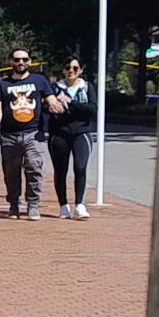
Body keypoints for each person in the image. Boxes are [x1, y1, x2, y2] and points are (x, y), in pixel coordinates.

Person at [0, 45, 54, 219]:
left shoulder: (39, 81)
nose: (21, 62)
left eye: (24, 59)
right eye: (17, 59)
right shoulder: (3, 85)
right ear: (11, 62)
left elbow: (50, 99)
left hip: (33, 134)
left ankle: (33, 204)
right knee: (11, 173)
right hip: (9, 136)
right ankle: (14, 205)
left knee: (34, 167)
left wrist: (56, 104)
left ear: (30, 62)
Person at [46, 57, 94, 218]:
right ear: (63, 70)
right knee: (60, 170)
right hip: (59, 134)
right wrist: (52, 108)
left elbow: (92, 109)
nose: (71, 71)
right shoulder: (55, 88)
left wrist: (71, 103)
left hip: (81, 132)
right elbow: (46, 106)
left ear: (80, 70)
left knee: (80, 167)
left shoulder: (86, 87)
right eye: (68, 68)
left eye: (75, 68)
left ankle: (80, 204)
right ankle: (63, 205)